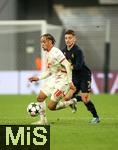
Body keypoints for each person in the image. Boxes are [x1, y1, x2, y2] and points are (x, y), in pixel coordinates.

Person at [28, 33, 76, 125]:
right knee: (40, 97)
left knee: (51, 107)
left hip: (63, 81)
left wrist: (70, 82)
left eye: (44, 42)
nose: (42, 44)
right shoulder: (47, 53)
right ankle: (43, 121)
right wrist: (38, 78)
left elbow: (68, 65)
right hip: (54, 78)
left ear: (50, 42)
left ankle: (70, 102)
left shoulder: (56, 52)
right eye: (41, 42)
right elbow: (50, 71)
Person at [62, 29, 100, 124]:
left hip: (84, 76)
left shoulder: (78, 51)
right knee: (67, 98)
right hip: (74, 77)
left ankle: (96, 117)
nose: (68, 40)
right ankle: (74, 100)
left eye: (70, 38)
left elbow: (78, 66)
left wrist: (66, 68)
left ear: (74, 39)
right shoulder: (63, 51)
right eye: (66, 38)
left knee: (85, 99)